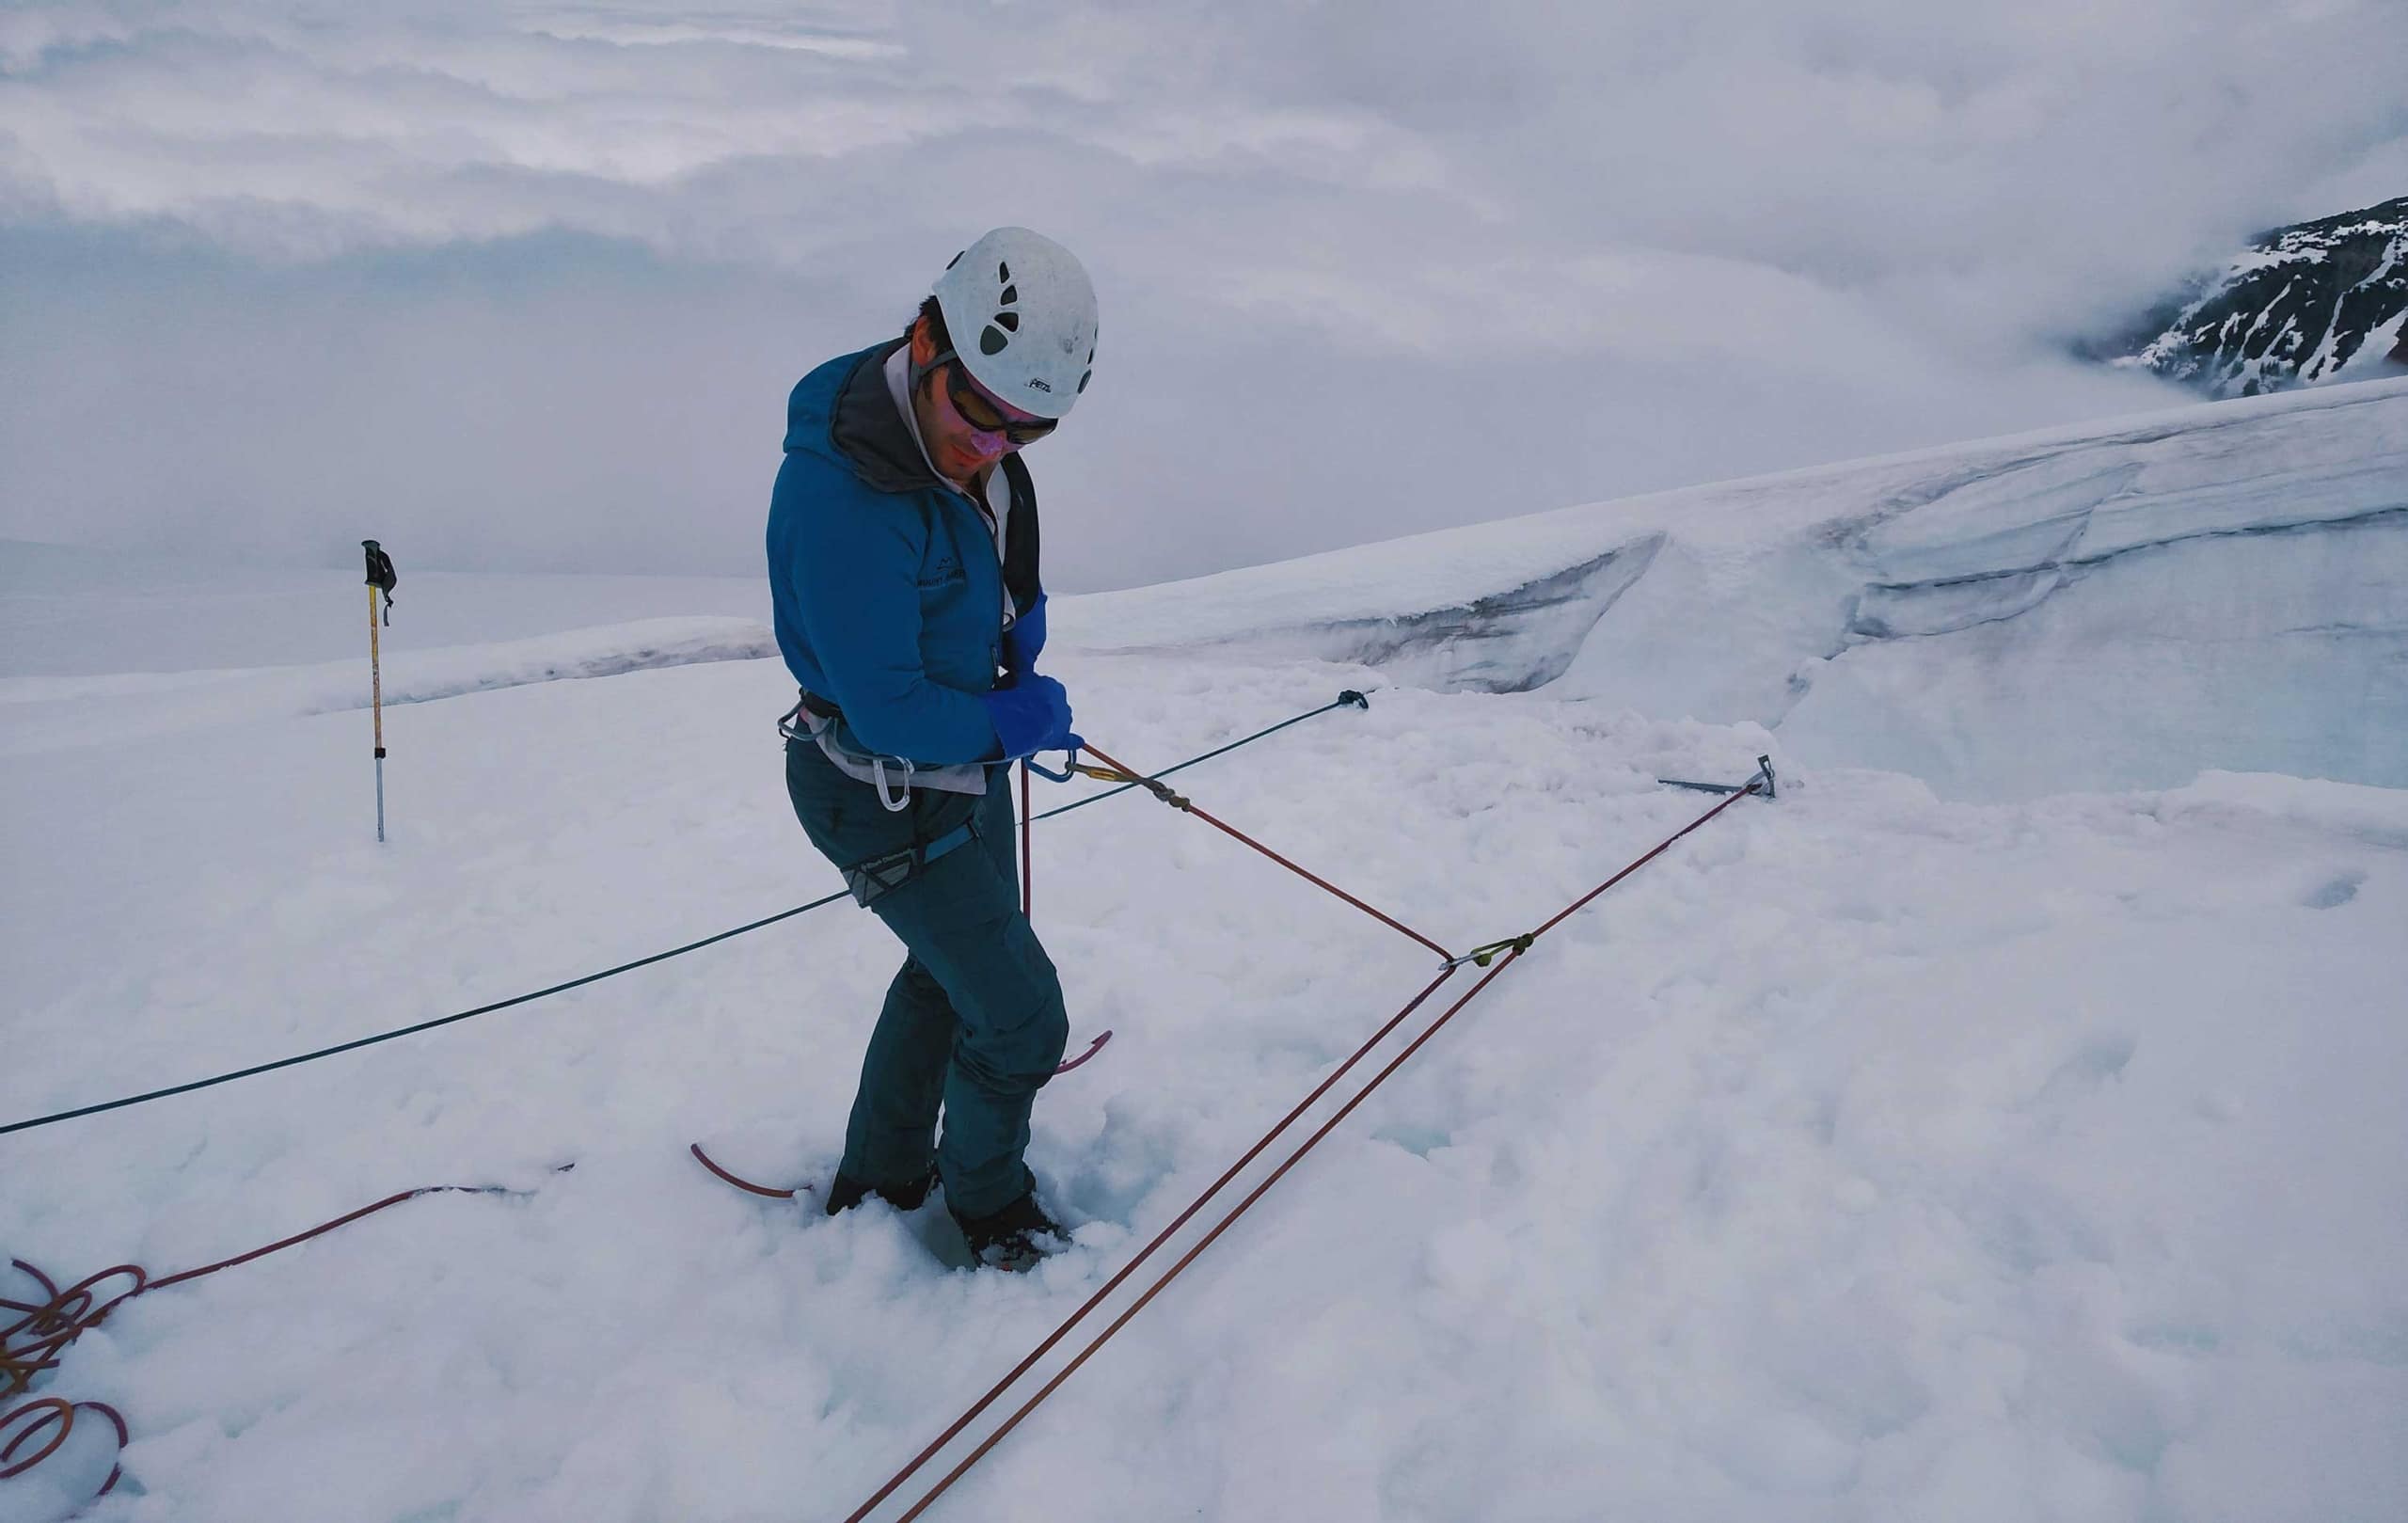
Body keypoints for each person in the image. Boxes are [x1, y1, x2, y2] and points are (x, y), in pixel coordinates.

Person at [766, 228, 1099, 1271]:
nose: (995, 445)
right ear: (927, 338)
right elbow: (890, 709)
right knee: (1019, 1019)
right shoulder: (844, 497)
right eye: (982, 417)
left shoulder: (961, 429)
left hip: (953, 764)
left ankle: (884, 1172)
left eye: (1027, 431)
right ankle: (989, 1203)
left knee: (949, 970)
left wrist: (1017, 628)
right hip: (878, 783)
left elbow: (995, 534)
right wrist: (1007, 722)